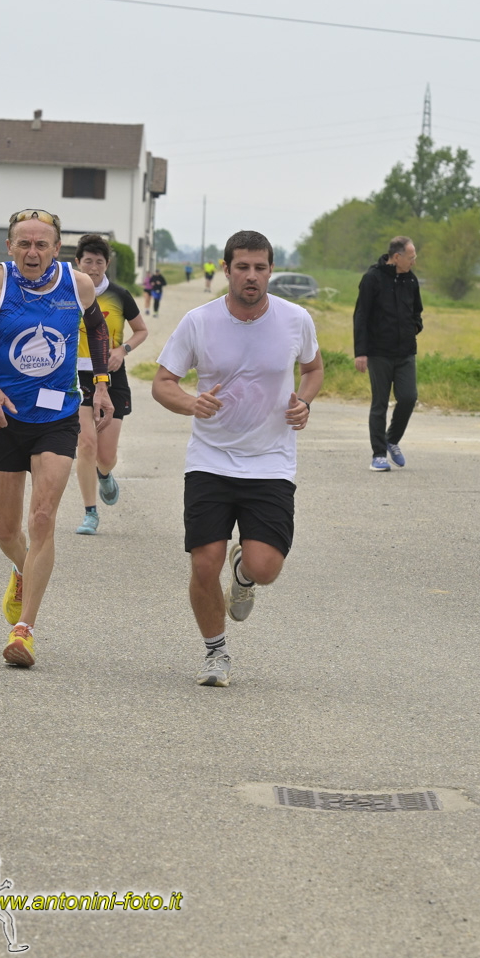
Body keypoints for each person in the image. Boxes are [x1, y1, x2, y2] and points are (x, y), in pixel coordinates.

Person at [152, 230, 322, 688]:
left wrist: (304, 402)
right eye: (242, 267)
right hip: (210, 459)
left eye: (260, 268)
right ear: (226, 269)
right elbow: (163, 383)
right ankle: (216, 652)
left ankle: (244, 573)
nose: (251, 276)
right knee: (204, 563)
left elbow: (313, 368)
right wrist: (192, 403)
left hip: (271, 462)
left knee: (266, 569)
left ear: (271, 271)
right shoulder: (199, 321)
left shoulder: (295, 319)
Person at [0, 209, 113, 667]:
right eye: (23, 243)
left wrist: (100, 383)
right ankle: (22, 568)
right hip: (5, 416)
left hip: (58, 417)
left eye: (41, 244)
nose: (32, 252)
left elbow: (98, 329)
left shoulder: (77, 284)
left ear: (57, 248)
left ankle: (24, 631)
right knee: (8, 532)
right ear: (10, 246)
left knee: (42, 517)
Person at [71, 235, 148, 535]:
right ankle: (90, 513)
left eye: (99, 262)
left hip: (113, 375)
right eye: (88, 261)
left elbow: (141, 331)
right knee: (86, 444)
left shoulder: (119, 295)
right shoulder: (67, 293)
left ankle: (105, 475)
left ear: (108, 264)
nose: (93, 268)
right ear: (78, 262)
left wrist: (122, 350)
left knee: (105, 456)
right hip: (76, 376)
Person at [353, 236, 422, 472]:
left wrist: (415, 327)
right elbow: (361, 315)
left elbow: (417, 311)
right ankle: (379, 454)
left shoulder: (411, 280)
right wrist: (361, 352)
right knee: (379, 403)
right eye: (411, 257)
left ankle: (391, 439)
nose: (414, 261)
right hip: (379, 352)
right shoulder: (372, 279)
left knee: (409, 397)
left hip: (405, 352)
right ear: (397, 257)